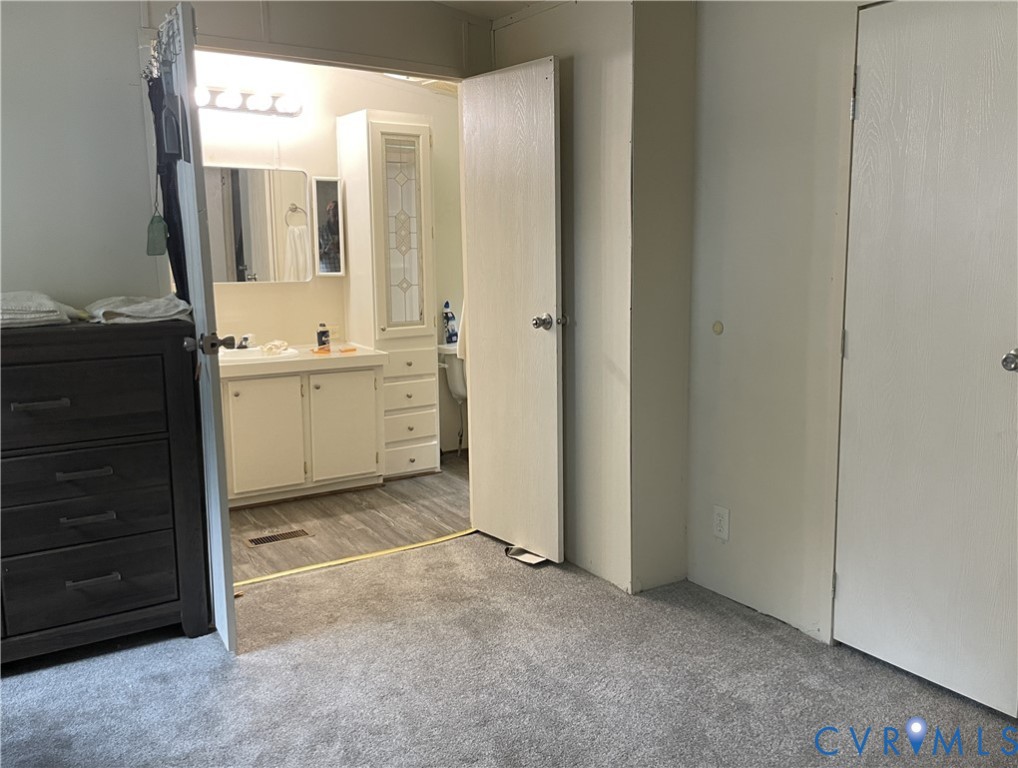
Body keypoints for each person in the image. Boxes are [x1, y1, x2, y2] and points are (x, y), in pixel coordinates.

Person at [318, 200, 341, 272]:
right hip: (327, 272)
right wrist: (326, 250)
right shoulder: (320, 231)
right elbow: (315, 257)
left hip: (345, 272)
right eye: (334, 214)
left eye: (338, 214)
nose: (336, 217)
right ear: (328, 212)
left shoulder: (346, 230)